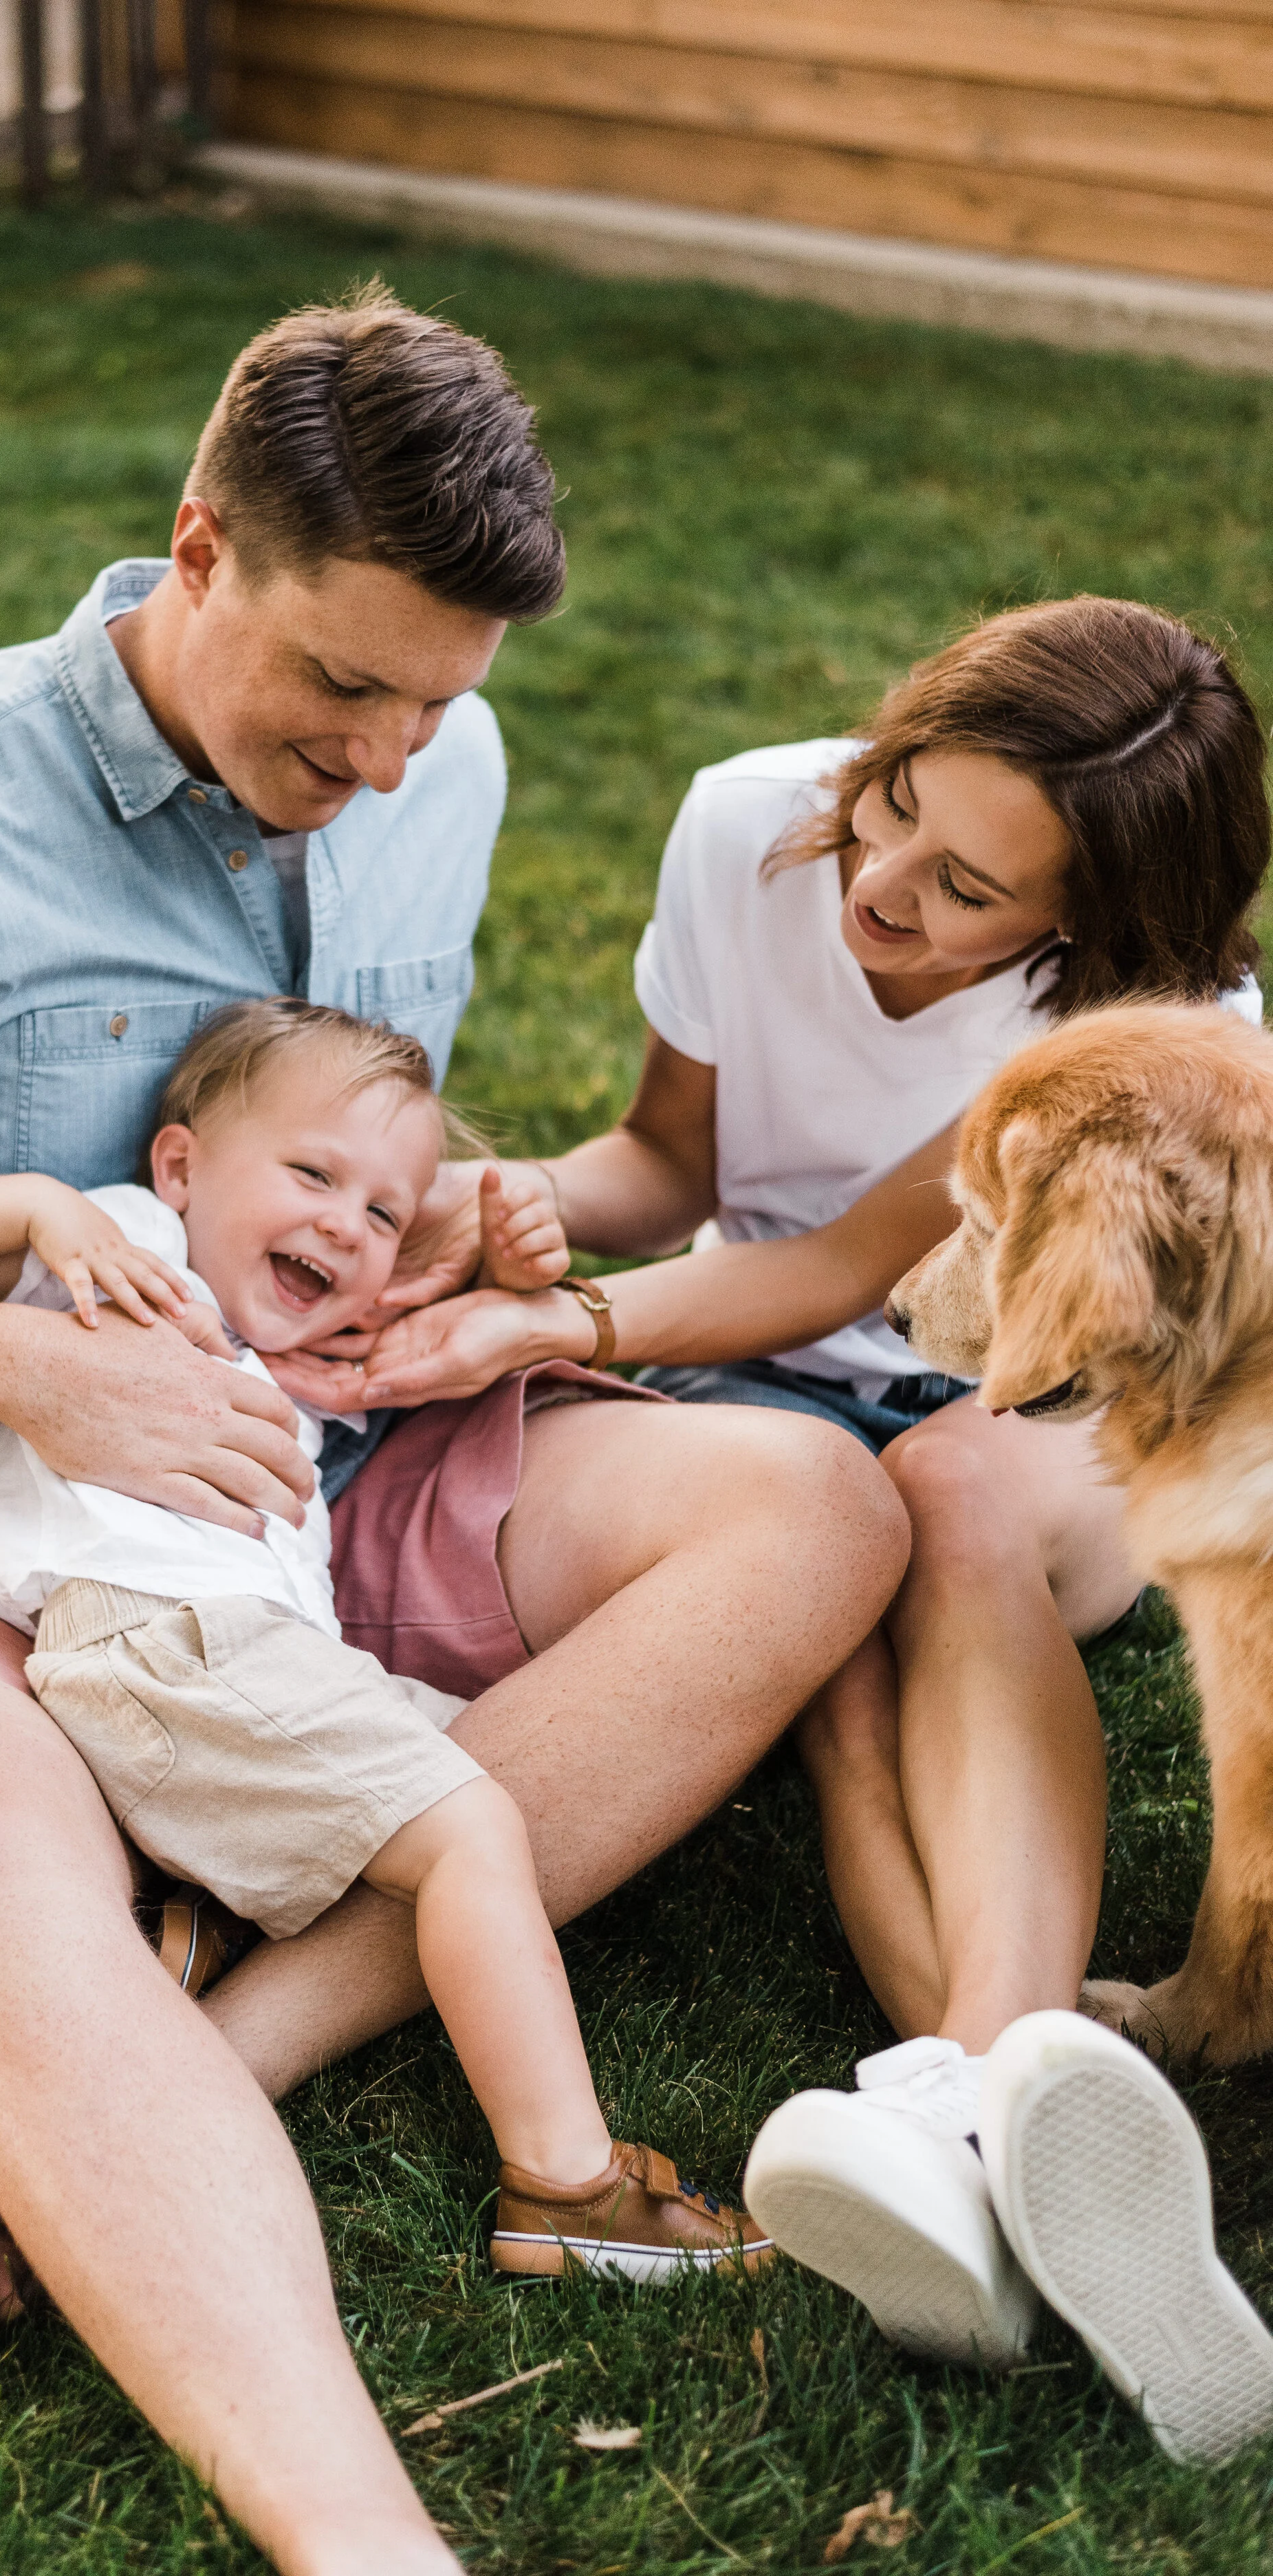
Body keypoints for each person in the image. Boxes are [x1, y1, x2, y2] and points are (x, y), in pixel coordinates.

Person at [0, 289, 907, 2576]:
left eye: (442, 703)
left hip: (347, 1473)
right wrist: (19, 1361)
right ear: (198, 550)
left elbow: (348, 1121)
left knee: (820, 1504)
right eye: (344, 689)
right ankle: (366, 2541)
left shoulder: (438, 772)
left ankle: (184, 2056)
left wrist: (442, 1222)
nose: (397, 759)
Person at [302, 598, 1269, 2384]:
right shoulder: (752, 822)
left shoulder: (1153, 1029)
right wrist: (495, 1210)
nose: (883, 882)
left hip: (1035, 1400)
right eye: (899, 793)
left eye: (967, 886)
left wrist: (558, 1320)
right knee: (829, 1667)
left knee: (947, 1500)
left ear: (1084, 920)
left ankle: (971, 2107)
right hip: (772, 1373)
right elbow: (670, 1160)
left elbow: (835, 1265)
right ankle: (1008, 2160)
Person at [0, 997, 772, 2305]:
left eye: (384, 1213)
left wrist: (510, 1274)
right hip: (166, 1646)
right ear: (180, 1168)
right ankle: (566, 2187)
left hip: (242, 1664)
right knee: (473, 1836)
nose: (347, 1224)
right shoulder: (130, 1246)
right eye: (314, 1175)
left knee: (516, 1768)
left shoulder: (290, 1335)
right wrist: (41, 1208)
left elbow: (417, 1344)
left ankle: (180, 1960)